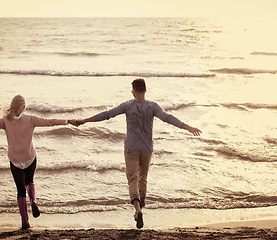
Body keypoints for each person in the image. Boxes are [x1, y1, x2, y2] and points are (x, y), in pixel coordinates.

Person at [77, 78, 201, 229]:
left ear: (133, 92)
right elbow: (168, 118)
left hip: (131, 148)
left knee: (132, 179)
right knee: (143, 179)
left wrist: (86, 120)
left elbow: (108, 114)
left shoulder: (128, 105)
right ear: (145, 90)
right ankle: (140, 208)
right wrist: (188, 127)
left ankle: (137, 210)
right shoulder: (153, 106)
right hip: (147, 149)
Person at [0, 95, 79, 230]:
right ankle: (33, 201)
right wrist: (68, 121)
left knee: (20, 191)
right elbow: (50, 122)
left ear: (12, 106)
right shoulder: (31, 119)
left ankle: (25, 222)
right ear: (24, 107)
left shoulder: (5, 121)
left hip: (15, 160)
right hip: (30, 158)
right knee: (30, 181)